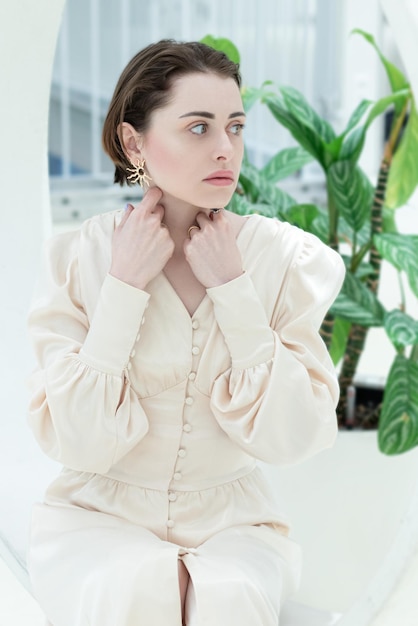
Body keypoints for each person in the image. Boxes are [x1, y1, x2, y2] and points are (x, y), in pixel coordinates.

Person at [27, 39, 345, 626]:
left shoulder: (282, 260)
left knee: (228, 597)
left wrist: (234, 291)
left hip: (234, 524)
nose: (225, 149)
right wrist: (123, 287)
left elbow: (297, 436)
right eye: (198, 128)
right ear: (134, 141)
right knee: (133, 586)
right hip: (98, 516)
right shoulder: (82, 258)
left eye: (235, 127)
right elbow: (77, 443)